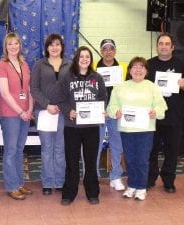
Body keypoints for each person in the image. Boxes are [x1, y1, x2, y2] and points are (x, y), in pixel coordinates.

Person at [107, 56, 167, 200]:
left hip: (145, 130)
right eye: (135, 66)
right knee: (130, 159)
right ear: (129, 70)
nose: (138, 69)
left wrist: (155, 112)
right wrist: (116, 112)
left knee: (142, 159)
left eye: (142, 67)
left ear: (146, 71)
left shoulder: (152, 87)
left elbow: (161, 106)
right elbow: (111, 106)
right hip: (127, 130)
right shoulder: (120, 87)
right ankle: (131, 185)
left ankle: (141, 187)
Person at [56, 46, 107, 205]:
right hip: (72, 127)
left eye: (87, 57)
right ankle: (69, 193)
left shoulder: (97, 77)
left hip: (91, 127)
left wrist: (101, 110)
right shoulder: (67, 77)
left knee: (91, 161)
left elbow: (103, 97)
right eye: (81, 57)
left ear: (90, 60)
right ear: (77, 59)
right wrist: (68, 111)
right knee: (71, 161)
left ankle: (92, 192)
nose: (84, 59)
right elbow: (61, 99)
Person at [146, 33, 184, 193]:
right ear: (156, 46)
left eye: (167, 44)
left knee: (172, 150)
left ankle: (168, 180)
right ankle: (150, 177)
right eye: (161, 43)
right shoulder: (149, 65)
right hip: (154, 116)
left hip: (175, 115)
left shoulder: (181, 64)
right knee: (151, 149)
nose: (163, 46)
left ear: (172, 47)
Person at [30, 33, 71, 195]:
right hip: (43, 112)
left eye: (57, 44)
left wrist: (63, 105)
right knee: (47, 148)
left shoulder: (69, 64)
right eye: (51, 44)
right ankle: (47, 182)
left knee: (60, 148)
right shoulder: (39, 65)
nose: (54, 47)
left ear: (62, 47)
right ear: (46, 47)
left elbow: (71, 88)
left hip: (63, 113)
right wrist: (47, 105)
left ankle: (60, 182)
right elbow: (34, 89)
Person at [0, 32, 33, 200]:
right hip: (11, 114)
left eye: (16, 43)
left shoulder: (24, 65)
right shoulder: (1, 66)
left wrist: (30, 110)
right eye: (10, 44)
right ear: (6, 46)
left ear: (20, 45)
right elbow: (4, 93)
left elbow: (29, 90)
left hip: (25, 114)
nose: (13, 47)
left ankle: (19, 183)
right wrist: (20, 111)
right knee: (11, 150)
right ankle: (11, 186)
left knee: (19, 150)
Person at [96, 39, 127, 191]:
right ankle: (93, 177)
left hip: (116, 113)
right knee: (94, 145)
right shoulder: (94, 69)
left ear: (115, 51)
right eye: (105, 49)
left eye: (111, 49)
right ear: (101, 51)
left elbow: (127, 91)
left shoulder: (123, 69)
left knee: (117, 145)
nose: (108, 52)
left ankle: (115, 176)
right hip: (98, 114)